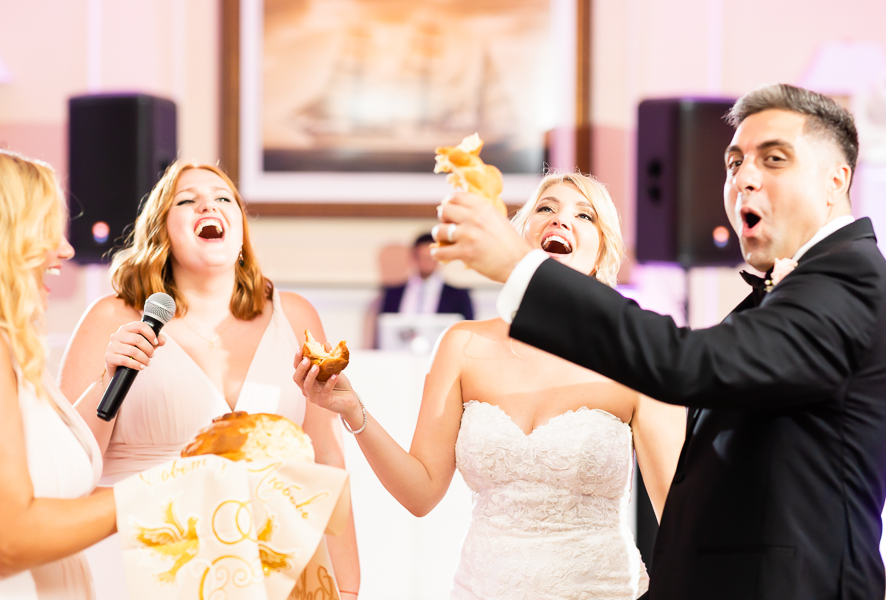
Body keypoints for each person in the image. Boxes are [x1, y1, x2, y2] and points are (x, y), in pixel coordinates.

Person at [432, 84, 886, 600]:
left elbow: (687, 362)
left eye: (774, 159)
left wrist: (523, 270)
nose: (744, 179)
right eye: (734, 163)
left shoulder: (848, 279)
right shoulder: (800, 285)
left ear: (836, 180)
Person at [295, 172, 686, 599]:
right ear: (519, 240)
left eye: (583, 214)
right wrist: (355, 411)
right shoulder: (462, 345)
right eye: (546, 208)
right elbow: (420, 492)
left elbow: (679, 515)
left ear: (601, 252)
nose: (560, 221)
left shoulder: (633, 355)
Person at [58, 162, 360, 599]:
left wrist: (347, 583)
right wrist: (108, 376)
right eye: (187, 200)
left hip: (263, 565)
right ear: (162, 231)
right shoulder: (113, 316)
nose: (208, 205)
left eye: (223, 199)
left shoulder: (295, 315)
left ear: (239, 231)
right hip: (143, 560)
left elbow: (327, 457)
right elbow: (71, 464)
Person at [0, 149, 113, 599]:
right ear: (3, 237)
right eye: (46, 231)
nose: (66, 249)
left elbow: (57, 488)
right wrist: (154, 494)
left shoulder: (11, 348)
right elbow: (9, 540)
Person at [379, 232, 475, 321]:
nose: (426, 263)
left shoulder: (458, 296)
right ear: (414, 257)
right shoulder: (392, 294)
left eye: (430, 258)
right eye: (422, 257)